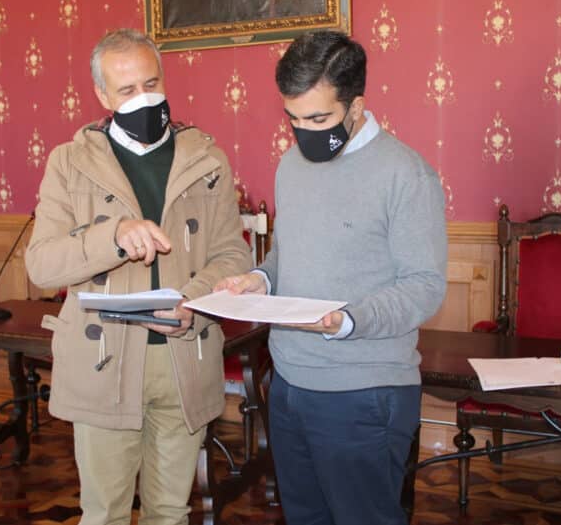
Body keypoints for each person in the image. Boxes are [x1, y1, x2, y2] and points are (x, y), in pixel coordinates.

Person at [215, 31, 448, 525]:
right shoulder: (291, 165)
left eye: (318, 119)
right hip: (288, 384)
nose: (304, 133)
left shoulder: (406, 174)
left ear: (356, 106)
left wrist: (349, 320)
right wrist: (259, 279)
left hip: (364, 393)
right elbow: (287, 255)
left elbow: (425, 285)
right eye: (293, 119)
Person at [25, 28, 252, 525]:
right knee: (104, 514)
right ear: (102, 96)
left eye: (152, 84)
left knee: (169, 513)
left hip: (184, 356)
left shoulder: (207, 159)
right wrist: (112, 236)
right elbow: (42, 264)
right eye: (127, 90)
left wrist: (193, 302)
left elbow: (233, 253)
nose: (144, 99)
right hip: (103, 361)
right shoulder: (69, 162)